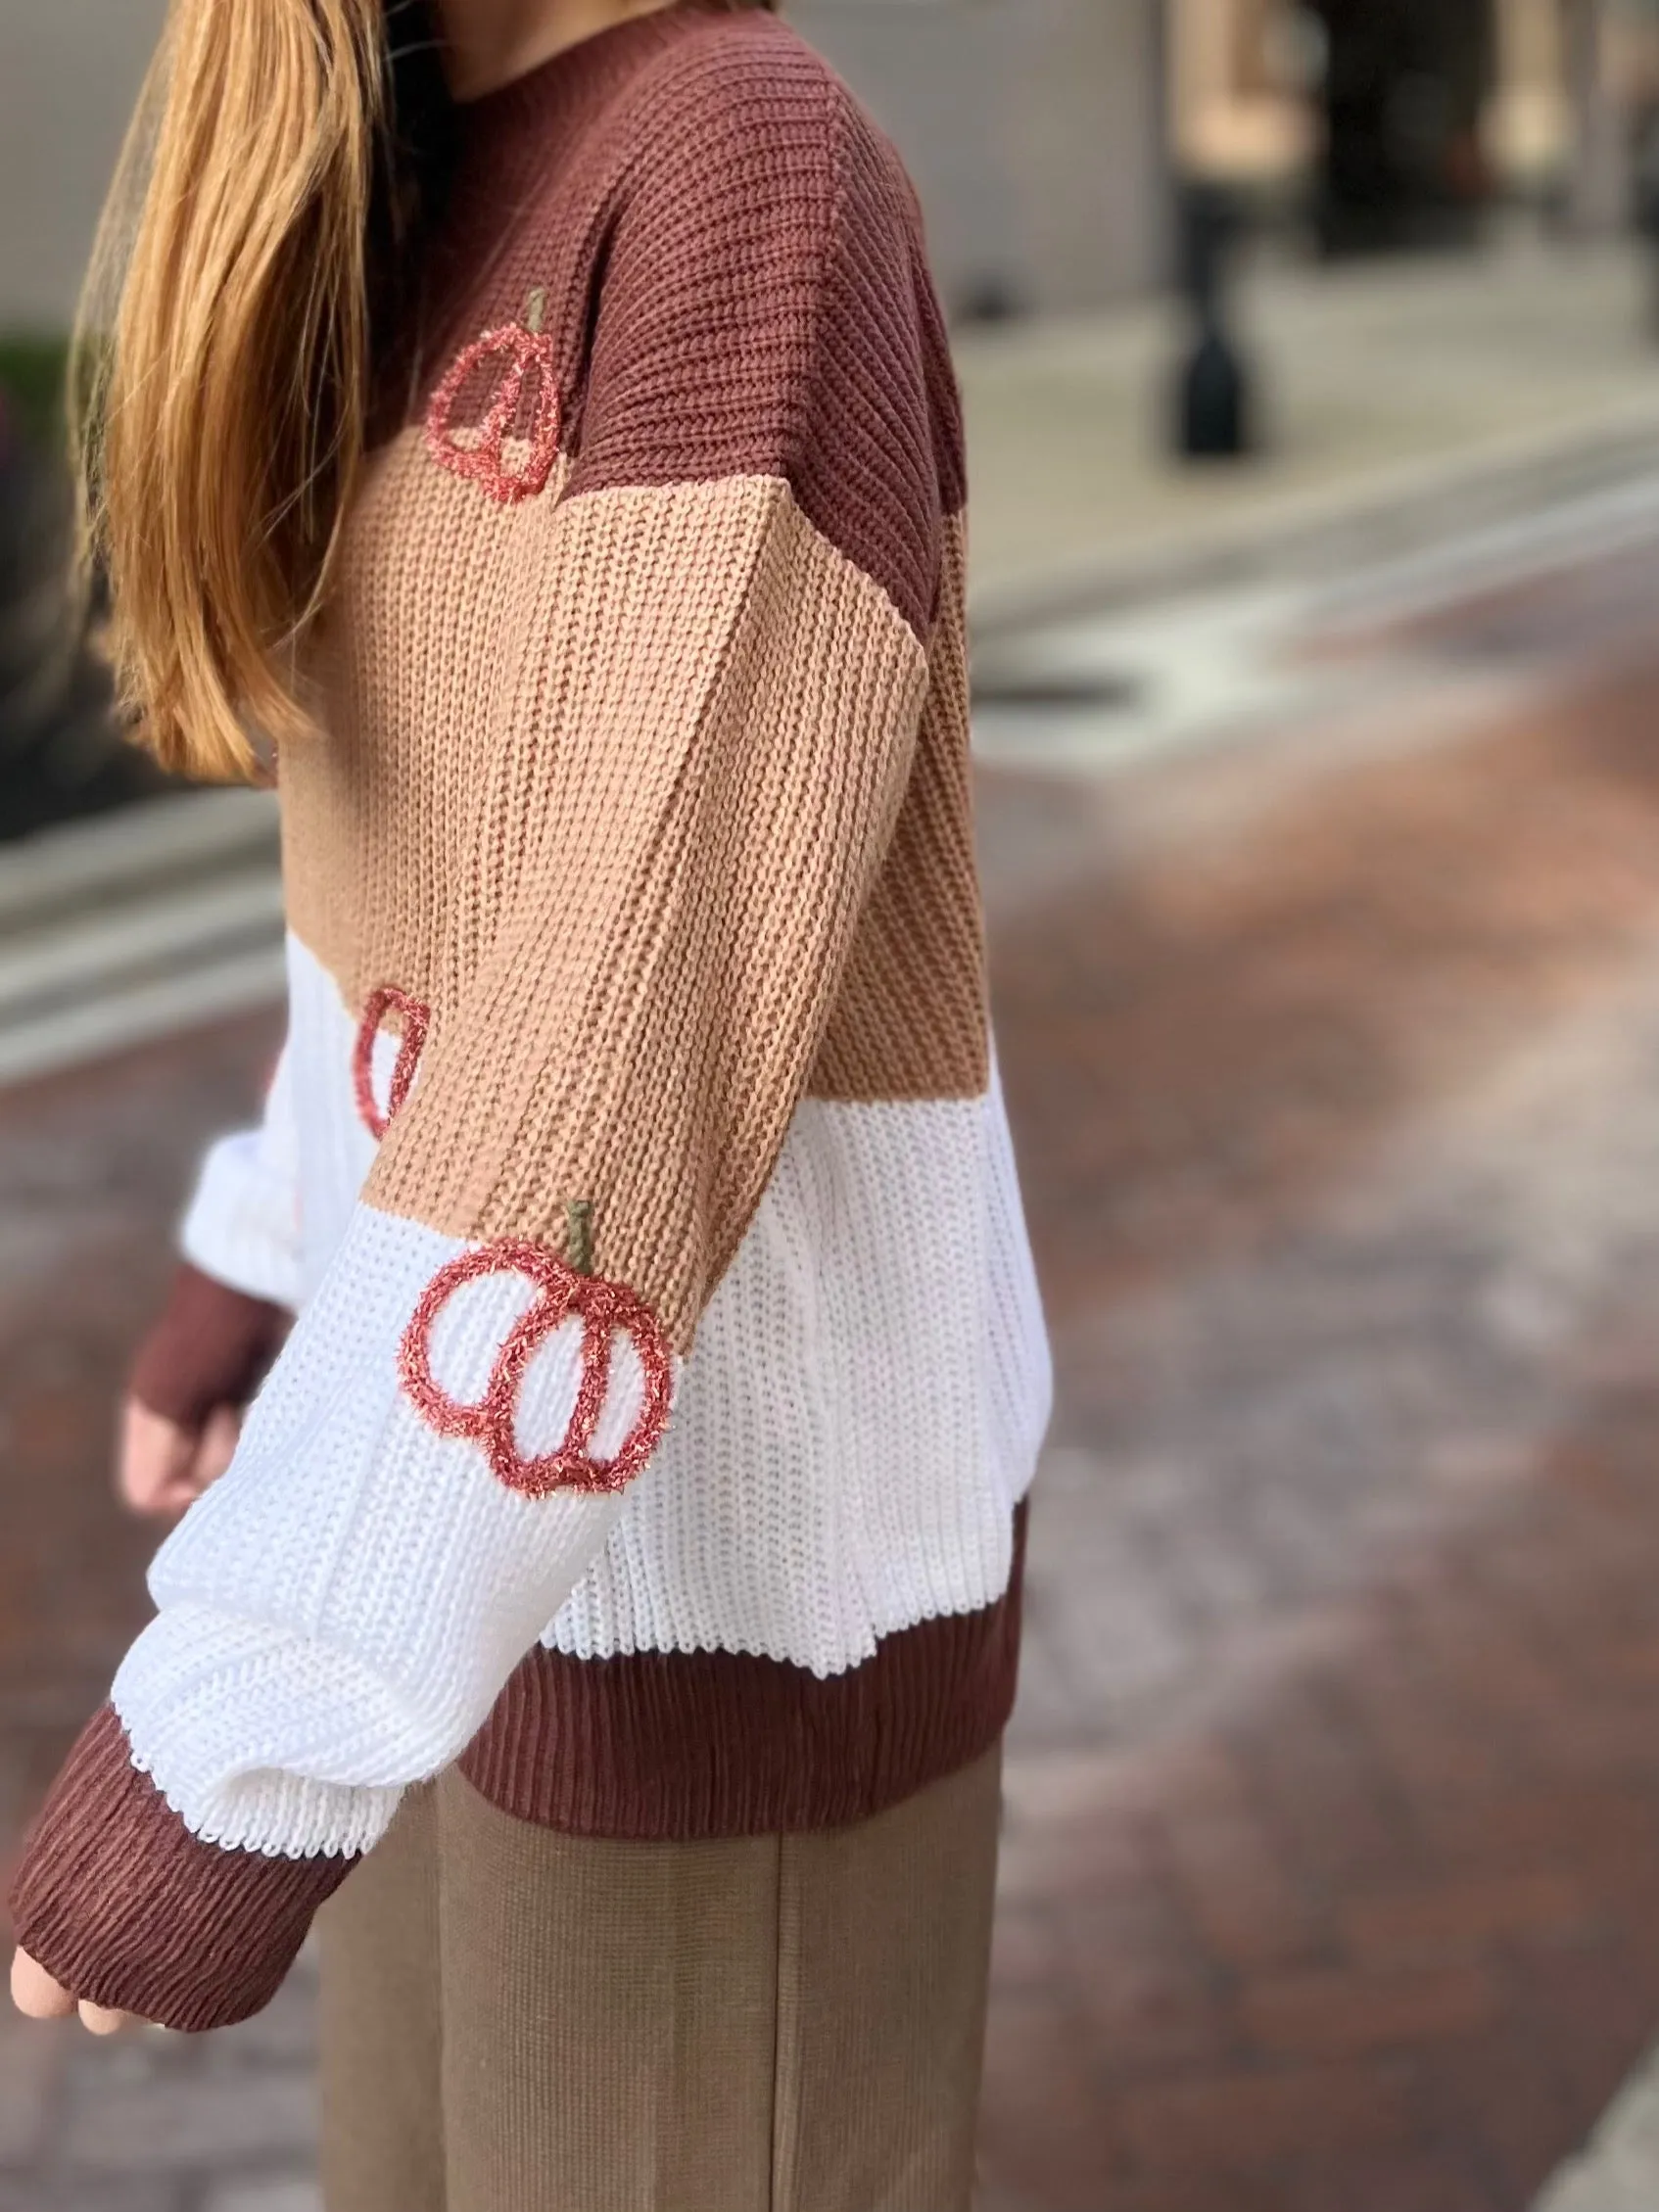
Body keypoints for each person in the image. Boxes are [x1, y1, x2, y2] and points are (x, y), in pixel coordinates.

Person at [7, 1, 1053, 2205]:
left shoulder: (733, 162)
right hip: (441, 1555)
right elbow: (442, 915)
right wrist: (265, 1256)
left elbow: (621, 983)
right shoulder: (417, 173)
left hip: (716, 1599)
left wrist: (261, 1699)